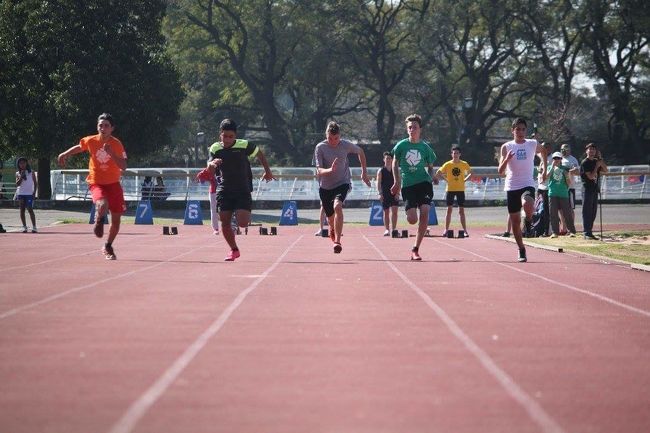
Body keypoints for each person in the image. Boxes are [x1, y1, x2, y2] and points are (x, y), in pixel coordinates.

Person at [58, 113, 127, 260]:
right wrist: (65, 153)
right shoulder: (91, 140)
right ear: (97, 127)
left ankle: (108, 246)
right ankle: (99, 220)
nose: (103, 128)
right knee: (102, 204)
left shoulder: (117, 144)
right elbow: (79, 147)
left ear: (112, 128)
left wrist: (111, 153)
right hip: (97, 182)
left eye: (106, 125)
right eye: (100, 125)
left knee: (116, 221)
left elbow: (124, 166)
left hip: (114, 184)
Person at [204, 118, 274, 261]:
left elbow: (260, 153)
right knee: (224, 221)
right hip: (224, 189)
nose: (228, 139)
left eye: (231, 136)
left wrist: (267, 171)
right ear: (220, 135)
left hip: (243, 188)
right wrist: (212, 164)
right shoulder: (215, 148)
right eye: (225, 136)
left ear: (235, 136)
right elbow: (209, 168)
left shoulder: (244, 145)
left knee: (243, 223)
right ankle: (234, 249)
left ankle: (240, 215)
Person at [314, 121, 371, 253]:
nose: (333, 141)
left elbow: (360, 152)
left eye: (336, 138)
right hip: (325, 187)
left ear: (340, 136)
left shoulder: (345, 145)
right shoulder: (320, 147)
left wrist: (364, 172)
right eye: (330, 138)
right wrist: (330, 170)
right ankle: (332, 228)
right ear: (326, 135)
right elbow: (319, 171)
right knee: (330, 217)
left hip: (342, 183)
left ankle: (338, 241)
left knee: (337, 206)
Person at [497, 117, 547, 262]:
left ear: (526, 131)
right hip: (512, 186)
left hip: (527, 183)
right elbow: (500, 170)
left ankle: (529, 220)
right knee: (515, 221)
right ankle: (521, 249)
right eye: (517, 129)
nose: (520, 132)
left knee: (528, 203)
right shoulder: (506, 146)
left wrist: (543, 170)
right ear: (513, 130)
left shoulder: (532, 143)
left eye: (523, 129)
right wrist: (506, 159)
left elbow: (543, 151)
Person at [390, 114, 437, 261]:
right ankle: (410, 209)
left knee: (425, 212)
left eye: (415, 127)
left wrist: (432, 177)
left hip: (424, 183)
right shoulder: (401, 146)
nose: (412, 129)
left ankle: (415, 249)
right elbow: (394, 163)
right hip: (408, 185)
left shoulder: (425, 148)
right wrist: (397, 182)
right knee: (412, 220)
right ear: (407, 129)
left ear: (420, 129)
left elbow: (430, 167)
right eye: (409, 127)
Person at [435, 146, 472, 237]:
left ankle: (465, 230)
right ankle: (446, 229)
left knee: (461, 211)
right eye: (454, 153)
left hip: (460, 189)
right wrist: (446, 179)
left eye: (457, 153)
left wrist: (464, 180)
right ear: (451, 154)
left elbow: (471, 172)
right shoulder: (448, 164)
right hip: (450, 189)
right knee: (449, 210)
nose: (455, 155)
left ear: (460, 154)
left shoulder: (464, 164)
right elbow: (438, 173)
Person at [580, 142, 608, 240]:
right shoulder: (585, 162)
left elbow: (606, 170)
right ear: (586, 151)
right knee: (587, 211)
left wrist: (600, 160)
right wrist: (596, 166)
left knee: (593, 211)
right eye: (590, 149)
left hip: (595, 189)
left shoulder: (597, 161)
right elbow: (591, 176)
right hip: (587, 189)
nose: (592, 151)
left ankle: (589, 231)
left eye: (593, 149)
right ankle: (586, 232)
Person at [547, 151, 577, 238]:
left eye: (558, 158)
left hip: (563, 194)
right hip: (552, 193)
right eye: (555, 158)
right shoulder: (549, 167)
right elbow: (546, 177)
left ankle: (572, 231)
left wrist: (566, 175)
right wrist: (552, 167)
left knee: (567, 213)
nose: (556, 160)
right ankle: (555, 232)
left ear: (561, 159)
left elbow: (569, 182)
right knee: (553, 213)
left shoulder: (565, 168)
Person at [559, 143, 580, 233]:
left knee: (570, 208)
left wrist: (568, 171)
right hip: (560, 187)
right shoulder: (559, 158)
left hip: (569, 187)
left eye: (566, 149)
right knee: (561, 209)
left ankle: (571, 228)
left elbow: (577, 171)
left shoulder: (573, 159)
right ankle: (563, 228)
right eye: (563, 149)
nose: (564, 151)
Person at [377, 151, 399, 236]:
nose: (388, 160)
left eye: (390, 158)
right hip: (385, 193)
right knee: (386, 212)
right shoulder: (381, 171)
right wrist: (380, 193)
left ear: (392, 159)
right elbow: (378, 183)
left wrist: (398, 193)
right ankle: (387, 229)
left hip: (394, 193)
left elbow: (399, 182)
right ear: (384, 160)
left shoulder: (396, 170)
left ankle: (394, 229)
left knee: (394, 211)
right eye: (387, 158)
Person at [194, 164, 220, 235]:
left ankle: (233, 226)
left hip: (224, 191)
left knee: (227, 209)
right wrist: (201, 180)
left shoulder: (223, 168)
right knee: (214, 210)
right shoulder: (208, 170)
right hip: (213, 192)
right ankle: (216, 229)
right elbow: (199, 177)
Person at [15, 157, 38, 233]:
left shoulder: (31, 172)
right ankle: (24, 227)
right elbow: (17, 184)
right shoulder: (18, 173)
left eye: (24, 163)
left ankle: (34, 227)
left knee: (30, 209)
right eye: (20, 163)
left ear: (26, 163)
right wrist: (21, 176)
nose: (22, 165)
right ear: (18, 164)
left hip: (29, 194)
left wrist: (34, 192)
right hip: (21, 194)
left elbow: (35, 183)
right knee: (22, 210)